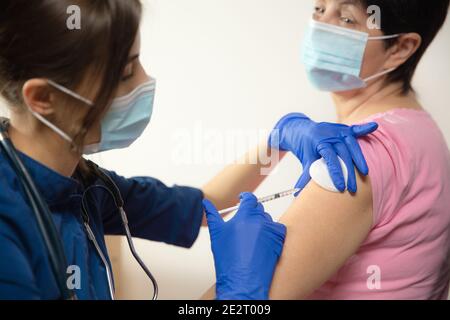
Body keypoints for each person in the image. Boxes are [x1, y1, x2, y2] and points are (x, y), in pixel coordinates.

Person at [0, 0, 376, 300]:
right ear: (44, 97)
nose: (146, 82)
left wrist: (278, 141)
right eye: (126, 73)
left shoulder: (85, 187)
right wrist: (235, 298)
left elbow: (204, 204)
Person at [249, 0, 450, 299]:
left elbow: (242, 300)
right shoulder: (418, 127)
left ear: (400, 48)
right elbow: (195, 208)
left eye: (346, 19)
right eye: (319, 9)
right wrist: (277, 139)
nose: (320, 27)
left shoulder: (356, 155)